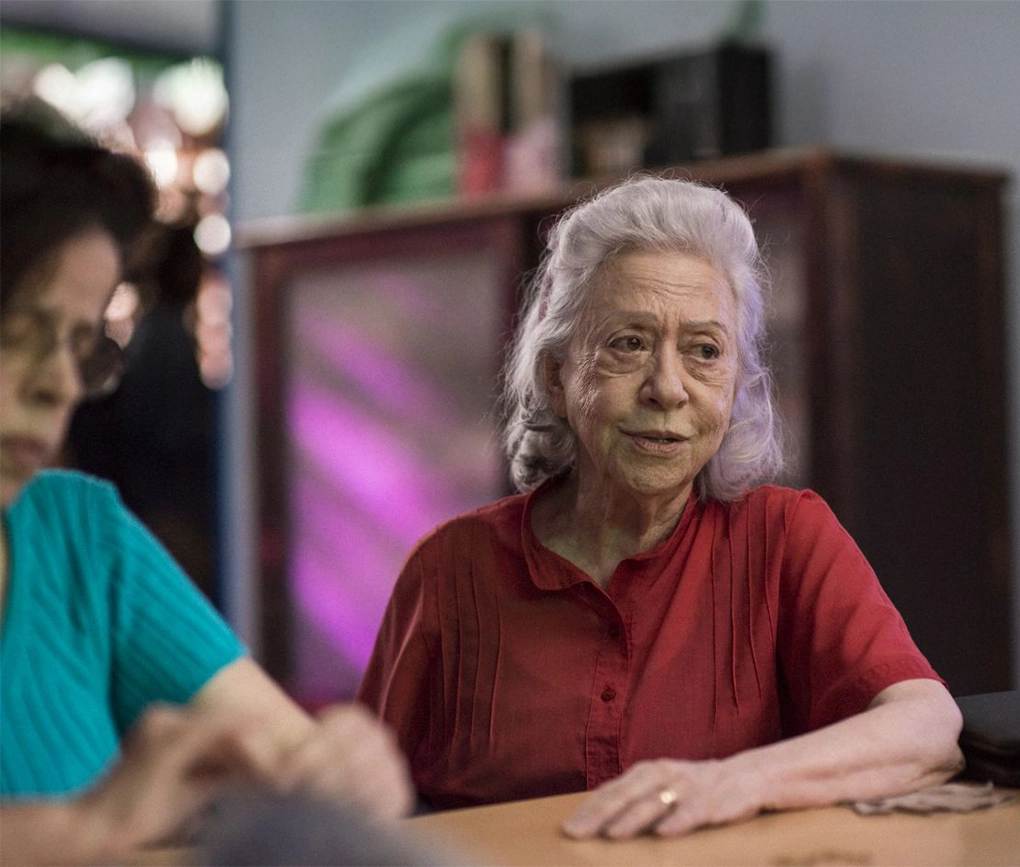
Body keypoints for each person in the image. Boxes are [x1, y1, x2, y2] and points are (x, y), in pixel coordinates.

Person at [358, 175, 964, 838]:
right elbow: (354, 810)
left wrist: (736, 780)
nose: (667, 388)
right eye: (629, 343)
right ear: (558, 375)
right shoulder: (452, 568)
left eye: (705, 351)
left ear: (734, 384)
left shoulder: (784, 536)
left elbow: (927, 727)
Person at [0, 99, 413, 865]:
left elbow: (286, 761)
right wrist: (74, 833)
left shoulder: (81, 539)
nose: (57, 382)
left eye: (80, 345)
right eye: (19, 333)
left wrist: (345, 771)